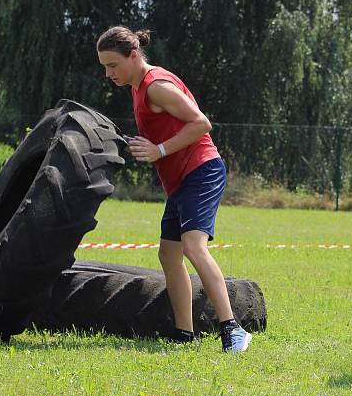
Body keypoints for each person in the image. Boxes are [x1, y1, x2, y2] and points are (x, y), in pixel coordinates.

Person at [96, 26, 251, 353]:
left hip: (202, 170)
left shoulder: (156, 86)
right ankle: (184, 332)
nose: (108, 73)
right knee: (168, 254)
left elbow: (201, 123)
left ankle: (233, 328)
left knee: (193, 248)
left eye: (113, 65)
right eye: (105, 67)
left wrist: (159, 150)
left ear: (133, 56)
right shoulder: (136, 85)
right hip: (181, 180)